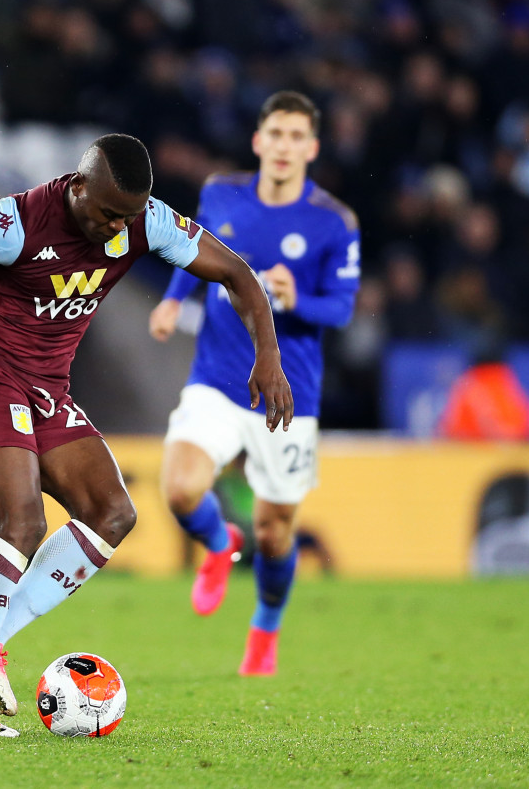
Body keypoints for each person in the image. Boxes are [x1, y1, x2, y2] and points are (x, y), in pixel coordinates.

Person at [0, 133, 293, 736]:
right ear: (77, 188)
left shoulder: (144, 222)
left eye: (127, 217)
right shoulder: (17, 221)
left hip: (48, 390)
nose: (115, 228)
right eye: (105, 214)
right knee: (22, 524)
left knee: (112, 513)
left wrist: (269, 356)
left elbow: (236, 273)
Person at [148, 91, 360, 677]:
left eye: (298, 137)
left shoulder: (334, 222)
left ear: (312, 148)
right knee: (181, 490)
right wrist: (171, 302)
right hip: (217, 377)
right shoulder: (221, 193)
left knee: (274, 534)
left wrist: (300, 300)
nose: (286, 147)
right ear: (259, 141)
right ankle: (218, 544)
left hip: (290, 392)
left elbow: (342, 310)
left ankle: (265, 629)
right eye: (277, 135)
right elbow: (192, 253)